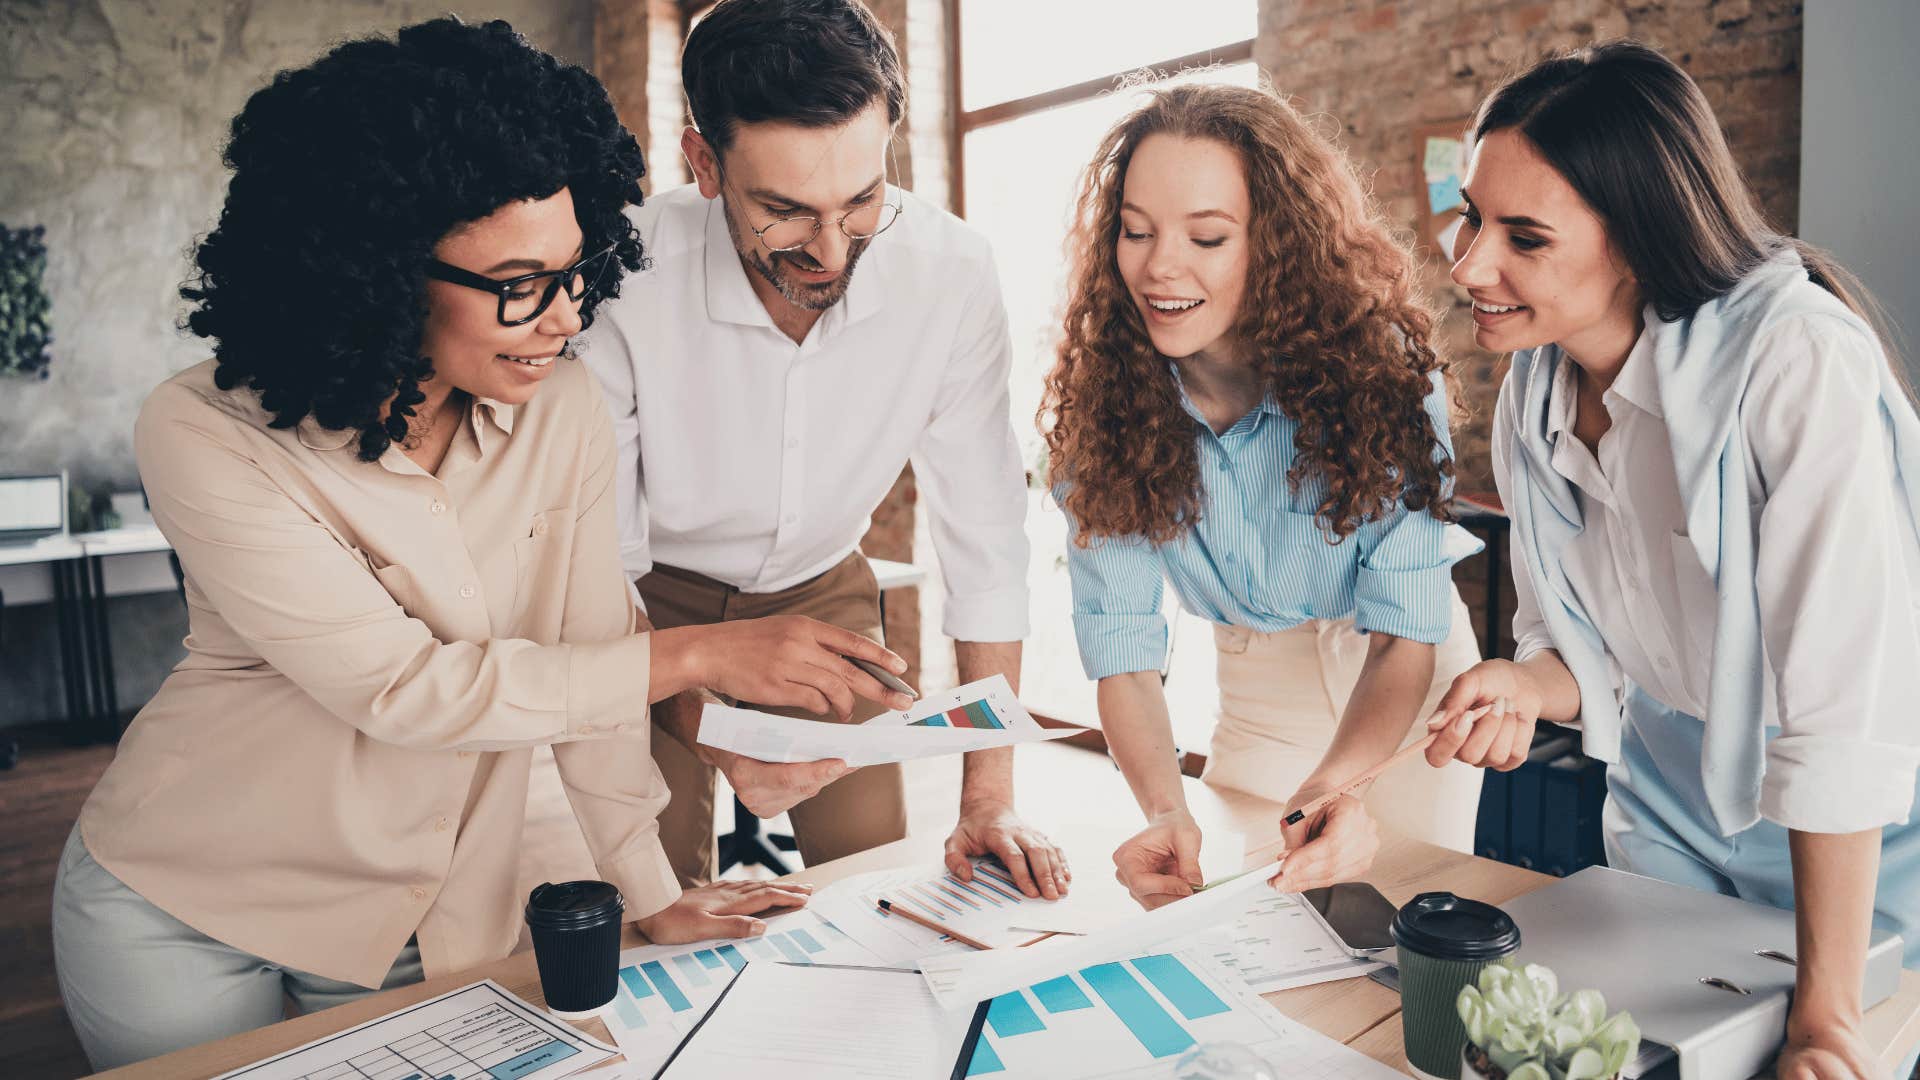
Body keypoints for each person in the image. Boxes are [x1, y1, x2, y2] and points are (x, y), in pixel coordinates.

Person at [50, 18, 907, 1069]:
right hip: (186, 907)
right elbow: (406, 689)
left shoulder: (563, 407)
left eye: (575, 270)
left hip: (419, 920)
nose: (563, 320)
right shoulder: (200, 431)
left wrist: (656, 891)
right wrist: (700, 654)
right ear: (380, 269)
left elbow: (590, 664)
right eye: (518, 284)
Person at [1427, 41, 1920, 1080]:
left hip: (1859, 827)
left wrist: (1828, 1020)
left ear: (1638, 242)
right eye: (1472, 215)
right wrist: (1525, 681)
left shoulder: (1794, 365)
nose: (1469, 264)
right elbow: (1588, 645)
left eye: (1524, 236)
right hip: (1669, 800)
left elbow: (1843, 721)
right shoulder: (1535, 391)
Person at [587, 0, 1067, 898]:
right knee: (653, 886)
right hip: (653, 602)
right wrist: (706, 721)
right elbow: (595, 559)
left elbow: (986, 537)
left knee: (872, 870)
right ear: (703, 163)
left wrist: (991, 796)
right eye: (784, 211)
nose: (830, 250)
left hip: (824, 588)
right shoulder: (623, 276)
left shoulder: (951, 272)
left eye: (861, 201)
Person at [1039, 81, 1485, 911]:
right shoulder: (1106, 404)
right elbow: (1124, 649)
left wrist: (1335, 787)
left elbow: (1401, 640)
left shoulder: (1382, 374)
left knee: (1410, 918)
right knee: (1255, 916)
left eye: (1206, 236)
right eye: (1135, 231)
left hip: (1404, 669)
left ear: (1276, 244)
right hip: (1257, 676)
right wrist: (1165, 808)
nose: (1159, 265)